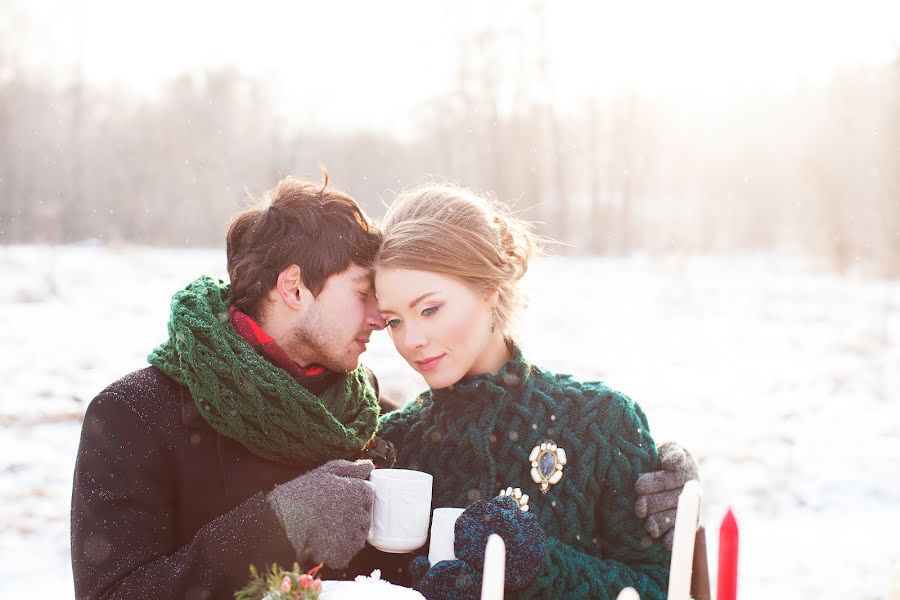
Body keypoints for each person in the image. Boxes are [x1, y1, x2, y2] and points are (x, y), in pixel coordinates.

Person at [70, 174, 394, 599]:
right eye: (363, 292)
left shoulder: (368, 413)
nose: (380, 316)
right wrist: (279, 526)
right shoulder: (132, 415)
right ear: (293, 287)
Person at [373, 183, 681, 598]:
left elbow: (658, 589)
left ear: (488, 290)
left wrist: (541, 566)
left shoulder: (603, 422)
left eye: (430, 309)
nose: (412, 340)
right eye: (394, 321)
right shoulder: (392, 445)